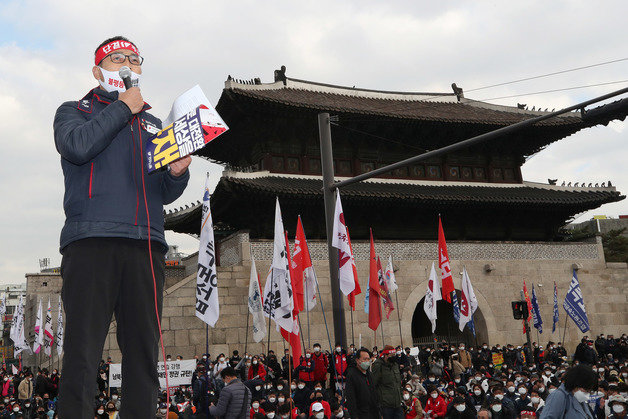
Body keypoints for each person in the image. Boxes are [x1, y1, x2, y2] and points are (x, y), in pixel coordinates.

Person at [54, 36, 191, 417]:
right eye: (117, 58)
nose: (127, 64)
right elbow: (78, 147)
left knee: (143, 352)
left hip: (146, 244)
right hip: (91, 241)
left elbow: (162, 191)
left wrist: (178, 174)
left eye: (133, 58)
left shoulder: (153, 123)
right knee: (83, 351)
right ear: (98, 71)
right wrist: (122, 109)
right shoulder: (74, 111)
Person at [345, 348, 380, 419]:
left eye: (368, 359)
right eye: (364, 359)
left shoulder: (369, 374)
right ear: (357, 360)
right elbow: (351, 398)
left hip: (373, 413)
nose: (367, 361)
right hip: (361, 414)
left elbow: (374, 393)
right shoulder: (352, 375)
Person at [371, 346, 403, 419]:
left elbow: (398, 383)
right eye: (392, 355)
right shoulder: (378, 365)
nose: (394, 357)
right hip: (386, 405)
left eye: (394, 355)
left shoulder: (395, 365)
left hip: (398, 404)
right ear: (385, 355)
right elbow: (374, 384)